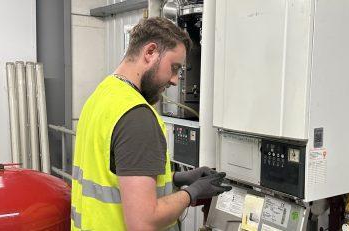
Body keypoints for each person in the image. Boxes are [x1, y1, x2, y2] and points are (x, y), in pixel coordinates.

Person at [71, 17, 231, 231]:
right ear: (150, 52)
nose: (175, 80)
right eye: (174, 67)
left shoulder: (101, 96)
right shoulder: (137, 116)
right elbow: (143, 222)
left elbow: (115, 174)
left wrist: (178, 178)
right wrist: (191, 193)